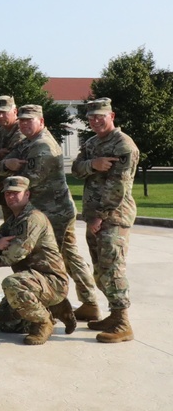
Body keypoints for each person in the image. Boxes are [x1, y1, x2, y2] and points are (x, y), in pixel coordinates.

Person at [0, 104, 100, 320]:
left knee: (55, 259)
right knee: (69, 256)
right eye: (22, 120)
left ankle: (63, 301)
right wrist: (7, 162)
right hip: (46, 212)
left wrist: (7, 166)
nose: (24, 124)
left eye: (30, 120)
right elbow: (0, 164)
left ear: (41, 122)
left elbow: (25, 181)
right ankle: (87, 301)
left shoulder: (42, 146)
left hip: (55, 214)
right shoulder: (27, 143)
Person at [71, 97, 140, 343]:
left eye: (100, 116)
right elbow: (76, 169)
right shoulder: (91, 143)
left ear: (112, 116)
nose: (95, 120)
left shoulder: (123, 145)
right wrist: (94, 164)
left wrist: (99, 217)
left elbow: (118, 187)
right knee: (100, 270)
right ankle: (113, 315)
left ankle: (122, 322)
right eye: (91, 117)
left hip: (113, 217)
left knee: (112, 268)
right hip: (95, 218)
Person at [0, 175, 76, 345]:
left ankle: (43, 323)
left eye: (15, 193)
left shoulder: (32, 218)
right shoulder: (14, 220)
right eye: (7, 194)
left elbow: (16, 253)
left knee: (11, 284)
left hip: (51, 280)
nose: (10, 197)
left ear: (27, 194)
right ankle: (55, 308)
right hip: (32, 280)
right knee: (5, 323)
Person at [0, 95, 24, 214]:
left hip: (19, 192)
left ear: (15, 111)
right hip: (6, 190)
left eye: (4, 112)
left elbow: (9, 159)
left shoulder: (20, 132)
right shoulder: (1, 131)